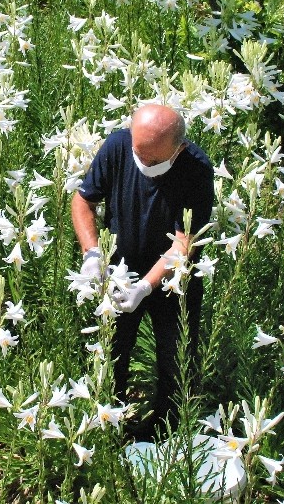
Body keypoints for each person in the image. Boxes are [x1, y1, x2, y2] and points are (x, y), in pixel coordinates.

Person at [72, 103, 215, 439]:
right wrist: (92, 253)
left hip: (172, 283)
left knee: (175, 361)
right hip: (118, 273)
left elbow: (186, 241)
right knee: (111, 355)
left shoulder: (197, 168)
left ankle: (165, 436)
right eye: (139, 152)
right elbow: (83, 201)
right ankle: (108, 426)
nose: (143, 164)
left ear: (179, 149)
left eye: (153, 160)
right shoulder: (119, 146)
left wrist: (146, 287)